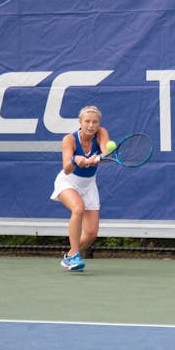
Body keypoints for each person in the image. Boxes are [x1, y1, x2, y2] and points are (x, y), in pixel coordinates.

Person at [50, 105, 110, 272]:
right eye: (87, 121)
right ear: (80, 122)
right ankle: (75, 255)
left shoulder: (101, 133)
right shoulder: (69, 139)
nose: (91, 125)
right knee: (78, 208)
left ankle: (69, 257)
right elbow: (66, 168)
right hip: (68, 182)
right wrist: (76, 160)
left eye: (95, 122)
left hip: (89, 185)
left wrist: (98, 158)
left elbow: (106, 153)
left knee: (91, 233)